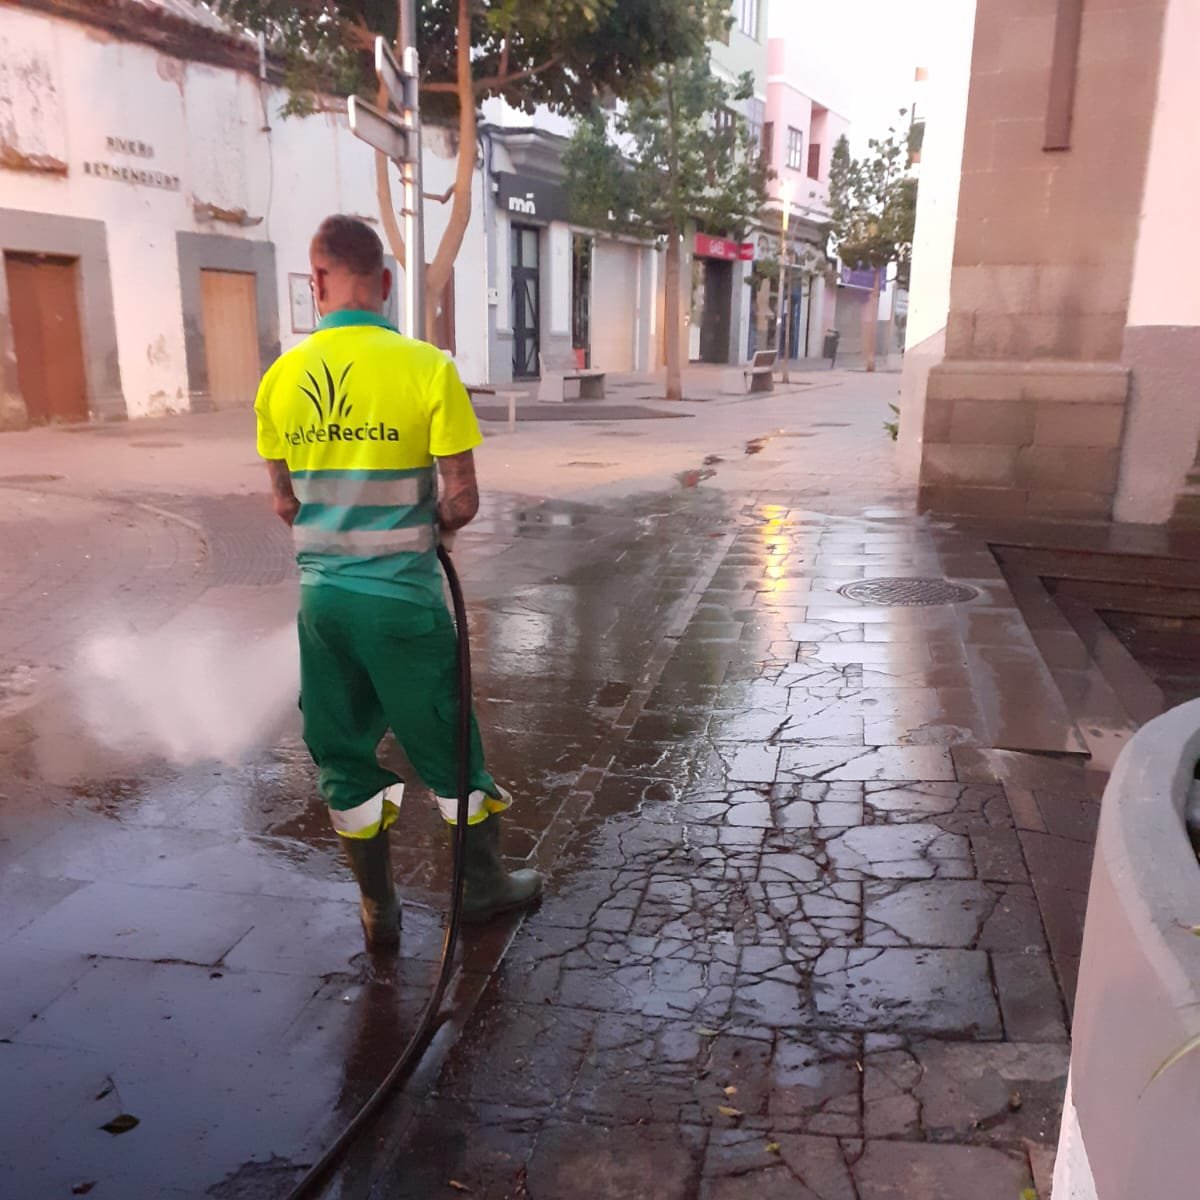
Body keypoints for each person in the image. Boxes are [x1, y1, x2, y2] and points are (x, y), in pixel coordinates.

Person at [254, 214, 542, 951]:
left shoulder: (281, 378)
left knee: (341, 752)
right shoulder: (427, 368)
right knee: (447, 747)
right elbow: (465, 500)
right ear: (383, 283)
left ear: (317, 282)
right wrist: (430, 519)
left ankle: (378, 909)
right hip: (404, 606)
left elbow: (285, 503)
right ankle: (480, 887)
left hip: (323, 609)